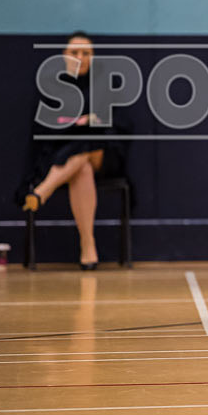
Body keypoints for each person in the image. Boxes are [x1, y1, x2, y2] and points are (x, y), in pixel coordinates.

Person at [16, 31, 130, 271]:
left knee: (88, 142)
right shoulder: (52, 87)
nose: (80, 57)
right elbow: (41, 128)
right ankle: (88, 246)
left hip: (104, 157)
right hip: (64, 156)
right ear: (64, 55)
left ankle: (42, 191)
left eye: (86, 53)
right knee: (82, 167)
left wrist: (90, 120)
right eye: (74, 52)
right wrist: (70, 124)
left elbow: (123, 122)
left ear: (93, 56)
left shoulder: (105, 84)